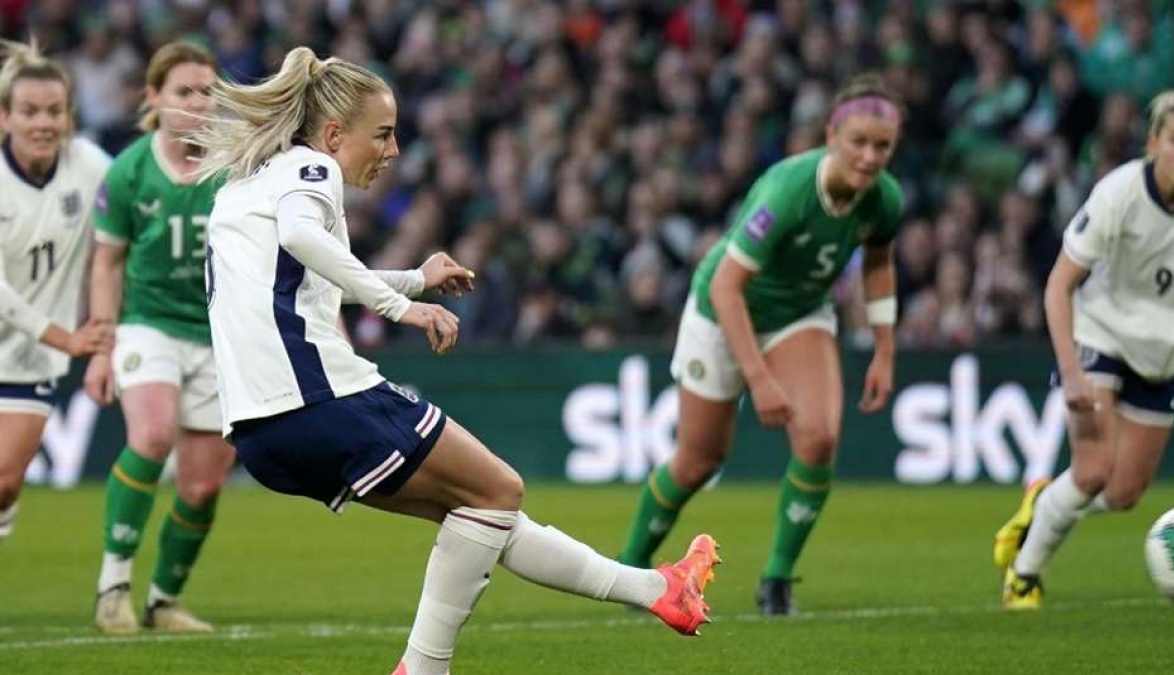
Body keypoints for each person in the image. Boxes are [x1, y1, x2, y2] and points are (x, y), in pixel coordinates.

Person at [192, 47, 720, 675]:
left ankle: (658, 590)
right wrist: (401, 307)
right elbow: (302, 238)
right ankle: (423, 669)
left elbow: (307, 280)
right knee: (499, 489)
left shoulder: (248, 187)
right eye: (382, 134)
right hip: (318, 397)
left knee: (483, 510)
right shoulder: (313, 169)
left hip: (258, 428)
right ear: (333, 135)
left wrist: (415, 279)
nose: (393, 151)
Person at [618, 74, 905, 616]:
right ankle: (628, 567)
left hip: (797, 314)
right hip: (722, 310)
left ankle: (776, 580)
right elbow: (727, 287)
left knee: (819, 438)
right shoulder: (790, 191)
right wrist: (761, 380)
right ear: (831, 136)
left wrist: (885, 350)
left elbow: (879, 263)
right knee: (699, 461)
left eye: (882, 146)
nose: (870, 157)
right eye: (859, 142)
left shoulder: (885, 199)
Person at [994, 91, 1174, 610]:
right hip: (1098, 336)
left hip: (1163, 353)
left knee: (1124, 493)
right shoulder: (1118, 193)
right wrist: (1071, 370)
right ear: (1153, 144)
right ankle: (1024, 576)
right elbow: (1058, 284)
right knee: (1090, 472)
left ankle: (1045, 502)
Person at [84, 41, 230, 634]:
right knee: (149, 435)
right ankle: (112, 587)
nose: (198, 103)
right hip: (149, 324)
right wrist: (102, 346)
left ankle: (163, 600)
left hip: (218, 334)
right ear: (154, 97)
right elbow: (107, 262)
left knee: (204, 483)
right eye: (184, 92)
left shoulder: (236, 169)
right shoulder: (129, 171)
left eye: (208, 92)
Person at [0, 39, 113, 542]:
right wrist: (65, 338)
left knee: (4, 484)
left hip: (29, 359)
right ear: (5, 118)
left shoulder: (89, 165)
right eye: (29, 112)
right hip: (50, 339)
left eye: (54, 111)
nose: (43, 123)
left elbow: (133, 200)